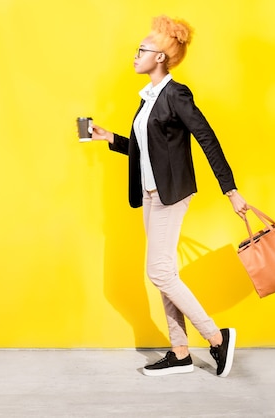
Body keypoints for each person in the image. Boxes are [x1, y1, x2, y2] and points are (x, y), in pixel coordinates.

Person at [90, 15, 248, 378]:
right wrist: (110, 138)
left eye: (141, 50)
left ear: (160, 57)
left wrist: (231, 191)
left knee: (159, 272)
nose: (135, 55)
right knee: (165, 273)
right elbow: (149, 151)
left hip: (170, 194)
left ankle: (216, 338)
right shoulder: (148, 99)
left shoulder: (176, 94)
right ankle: (179, 352)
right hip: (149, 193)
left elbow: (207, 138)